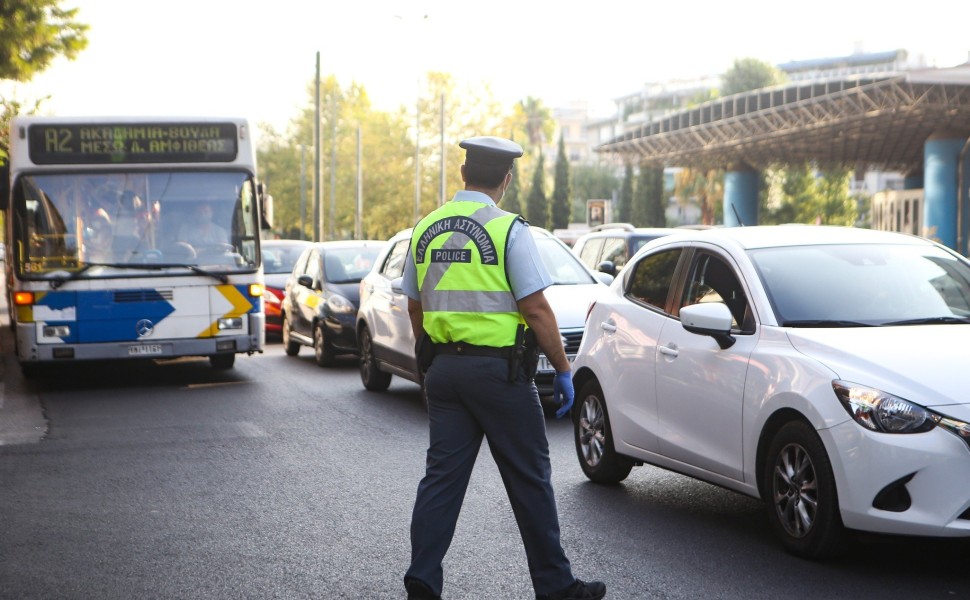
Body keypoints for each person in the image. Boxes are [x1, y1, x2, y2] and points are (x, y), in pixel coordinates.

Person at [400, 136, 606, 600]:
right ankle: (556, 587)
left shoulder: (425, 228)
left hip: (446, 374)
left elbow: (414, 306)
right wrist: (564, 367)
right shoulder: (508, 229)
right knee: (530, 479)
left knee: (441, 480)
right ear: (506, 180)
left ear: (462, 175)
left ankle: (422, 579)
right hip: (501, 376)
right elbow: (535, 308)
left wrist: (430, 353)